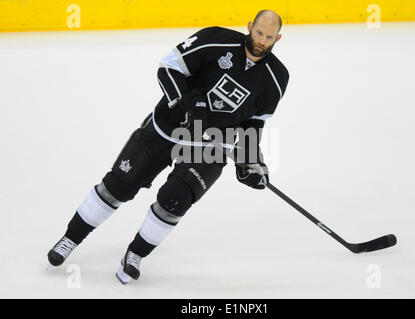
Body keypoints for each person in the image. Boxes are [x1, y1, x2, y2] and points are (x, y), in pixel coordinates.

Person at [47, 9, 289, 284]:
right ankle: (69, 239)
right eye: (258, 32)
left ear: (277, 38)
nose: (262, 40)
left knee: (176, 199)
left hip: (210, 145)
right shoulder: (215, 40)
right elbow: (168, 66)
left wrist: (250, 161)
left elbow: (253, 124)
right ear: (249, 26)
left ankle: (135, 255)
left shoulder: (277, 77)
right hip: (167, 126)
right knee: (118, 186)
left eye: (269, 37)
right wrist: (185, 103)